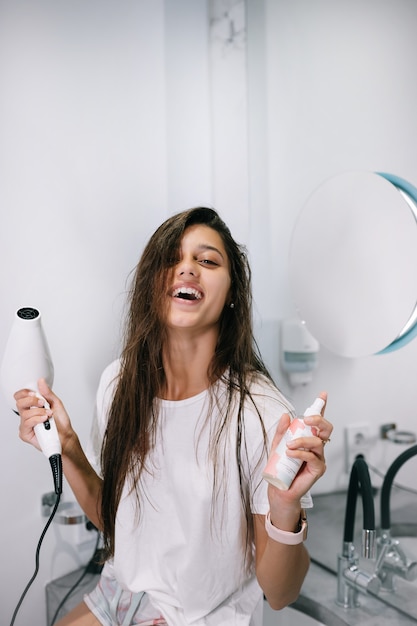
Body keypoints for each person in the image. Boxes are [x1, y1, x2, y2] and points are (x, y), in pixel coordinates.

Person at [15, 207, 333, 626]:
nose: (186, 269)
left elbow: (280, 593)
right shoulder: (119, 384)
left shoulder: (260, 414)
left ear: (233, 292)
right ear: (152, 284)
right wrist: (70, 448)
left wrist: (285, 506)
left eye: (207, 260)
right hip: (120, 594)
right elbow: (120, 529)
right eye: (172, 259)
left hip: (204, 615)